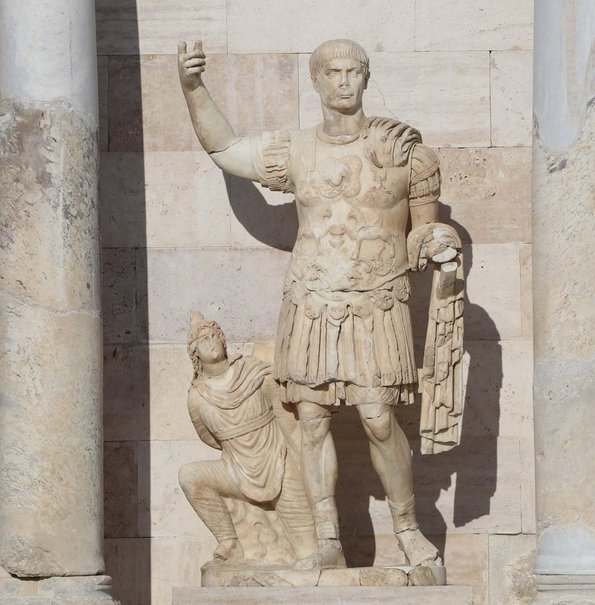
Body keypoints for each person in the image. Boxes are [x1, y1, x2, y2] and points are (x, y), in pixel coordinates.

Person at [178, 38, 459, 568]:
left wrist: (440, 242)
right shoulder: (296, 150)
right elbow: (226, 150)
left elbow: (423, 231)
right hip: (310, 301)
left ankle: (407, 528)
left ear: (367, 77)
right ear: (315, 80)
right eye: (333, 72)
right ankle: (328, 539)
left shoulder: (407, 153)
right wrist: (192, 86)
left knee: (379, 417)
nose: (344, 81)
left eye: (354, 71)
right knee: (311, 419)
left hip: (378, 301)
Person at [179, 312, 316, 565]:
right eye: (204, 339)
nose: (212, 341)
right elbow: (208, 437)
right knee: (191, 476)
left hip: (278, 460)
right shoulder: (197, 397)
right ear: (194, 352)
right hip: (236, 468)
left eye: (215, 335)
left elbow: (288, 420)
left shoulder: (256, 373)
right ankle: (229, 541)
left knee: (309, 549)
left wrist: (299, 459)